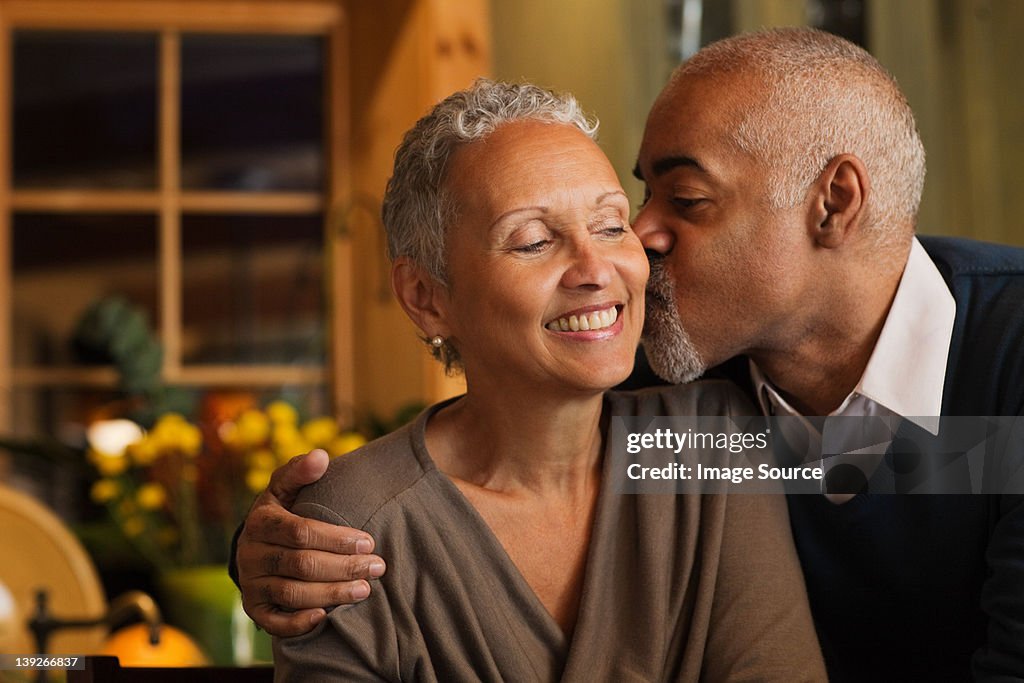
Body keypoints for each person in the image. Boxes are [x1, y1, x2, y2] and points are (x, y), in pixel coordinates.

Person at [236, 29, 1024, 681]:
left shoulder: (1000, 368)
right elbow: (492, 441)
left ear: (834, 203)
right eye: (637, 201)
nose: (633, 246)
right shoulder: (668, 371)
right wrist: (277, 544)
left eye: (684, 201)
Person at [270, 79, 826, 681]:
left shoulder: (710, 441)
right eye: (533, 241)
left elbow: (922, 461)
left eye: (612, 226)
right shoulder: (349, 528)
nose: (595, 270)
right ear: (426, 297)